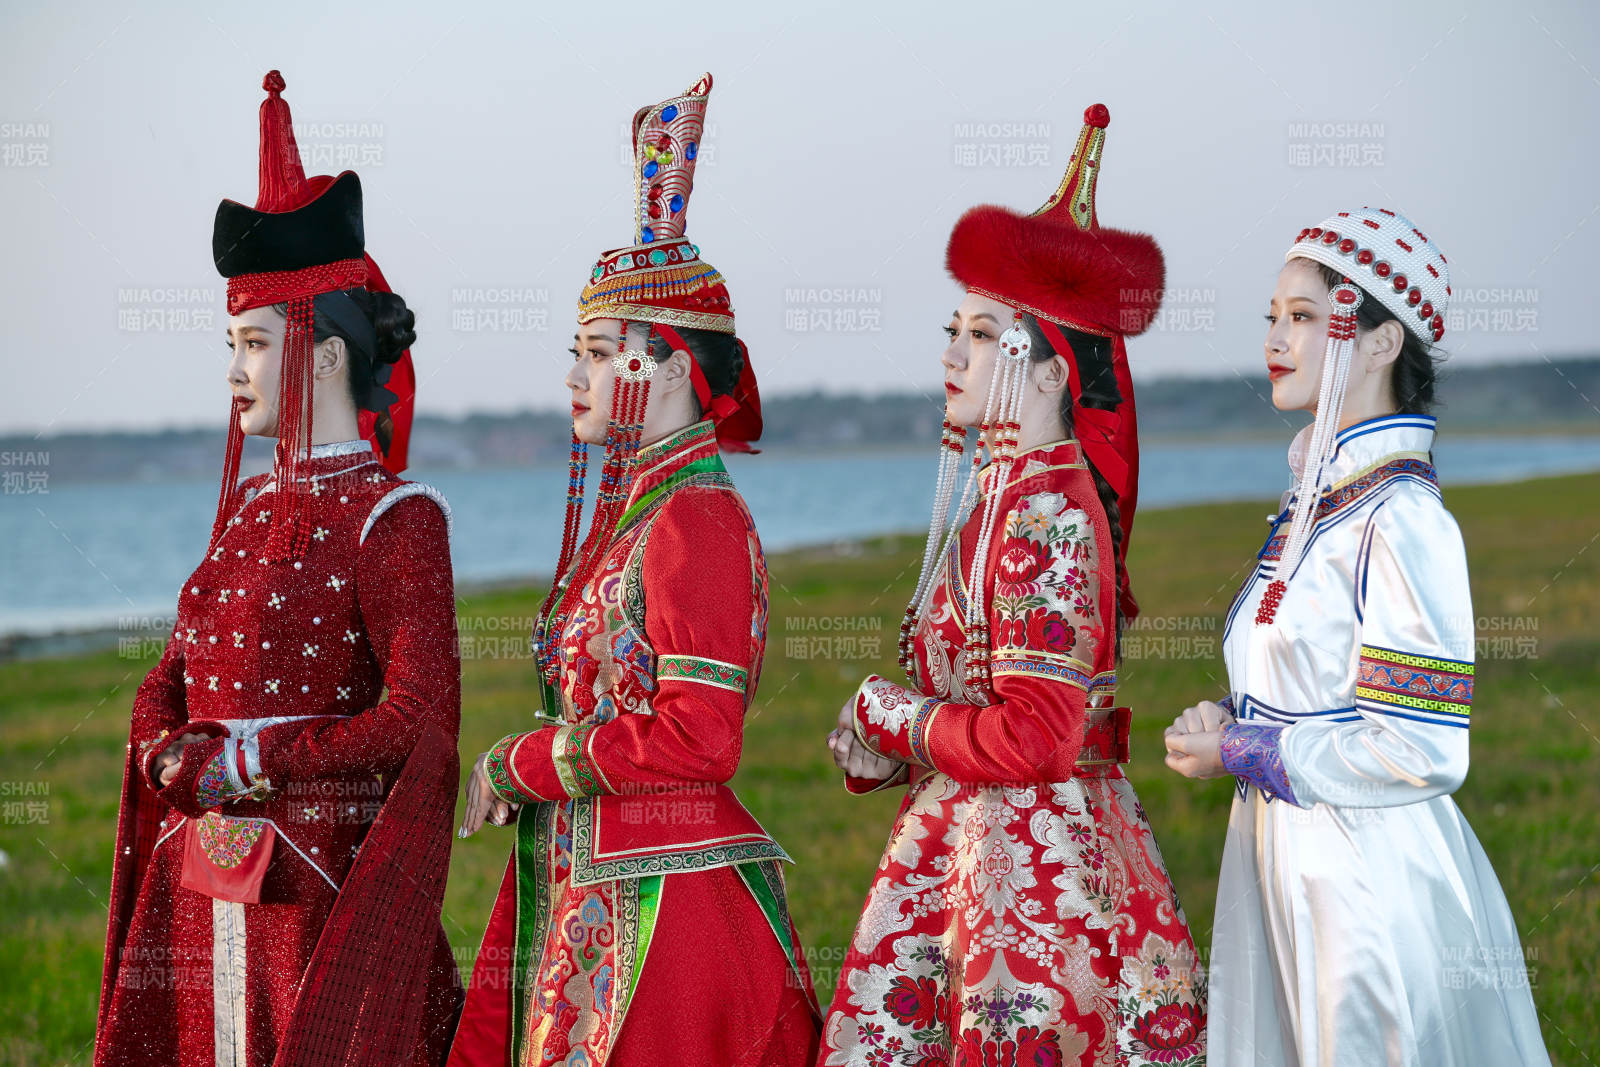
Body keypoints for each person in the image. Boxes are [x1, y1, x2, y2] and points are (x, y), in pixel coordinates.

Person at [447, 73, 821, 1067]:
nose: (574, 376)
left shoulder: (693, 518)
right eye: (574, 351)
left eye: (601, 350)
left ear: (670, 369)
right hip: (596, 868)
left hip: (671, 906)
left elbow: (702, 738)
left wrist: (524, 762)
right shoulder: (643, 509)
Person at [820, 105, 1206, 1067]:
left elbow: (1036, 737)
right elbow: (974, 704)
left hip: (1038, 877)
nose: (951, 353)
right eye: (952, 329)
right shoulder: (998, 497)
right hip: (963, 852)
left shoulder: (1048, 513)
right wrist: (885, 741)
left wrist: (893, 715)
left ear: (1045, 370)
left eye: (982, 333)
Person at [95, 71, 462, 1066]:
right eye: (230, 342)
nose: (233, 370)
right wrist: (163, 744)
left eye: (253, 342)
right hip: (206, 895)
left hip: (326, 900)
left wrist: (254, 758)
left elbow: (418, 721)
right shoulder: (247, 509)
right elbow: (172, 670)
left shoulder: (399, 517)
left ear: (327, 354)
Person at [1163, 206, 1551, 1065]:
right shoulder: (1320, 502)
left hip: (1367, 876)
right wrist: (1225, 719)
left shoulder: (1403, 518)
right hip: (1284, 859)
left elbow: (1424, 747)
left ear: (1380, 342)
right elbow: (1317, 681)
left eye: (1304, 317)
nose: (1275, 337)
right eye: (1272, 315)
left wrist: (1248, 750)